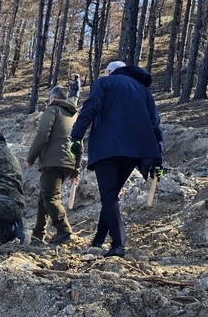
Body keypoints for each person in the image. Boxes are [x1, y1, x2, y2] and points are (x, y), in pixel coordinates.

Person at [70, 60, 163, 258]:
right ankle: (98, 240)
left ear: (110, 72)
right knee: (110, 196)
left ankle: (118, 244)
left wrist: (76, 137)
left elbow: (90, 108)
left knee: (109, 197)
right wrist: (158, 159)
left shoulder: (105, 82)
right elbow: (155, 124)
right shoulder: (144, 91)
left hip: (108, 148)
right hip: (134, 152)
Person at [26, 86, 79, 246]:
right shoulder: (74, 116)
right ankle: (38, 235)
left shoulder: (53, 109)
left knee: (50, 197)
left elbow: (43, 134)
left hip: (53, 161)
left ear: (53, 98)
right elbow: (78, 142)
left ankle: (64, 231)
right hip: (68, 161)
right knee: (43, 197)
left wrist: (31, 157)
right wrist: (75, 169)